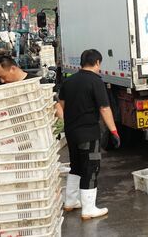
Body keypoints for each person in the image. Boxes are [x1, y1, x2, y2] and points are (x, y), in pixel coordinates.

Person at [55, 49, 120, 220]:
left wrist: (68, 122)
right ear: (97, 62)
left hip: (71, 132)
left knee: (76, 165)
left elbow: (60, 105)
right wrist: (113, 131)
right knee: (91, 168)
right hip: (88, 132)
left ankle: (70, 202)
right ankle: (88, 209)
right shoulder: (96, 82)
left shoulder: (69, 82)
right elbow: (104, 108)